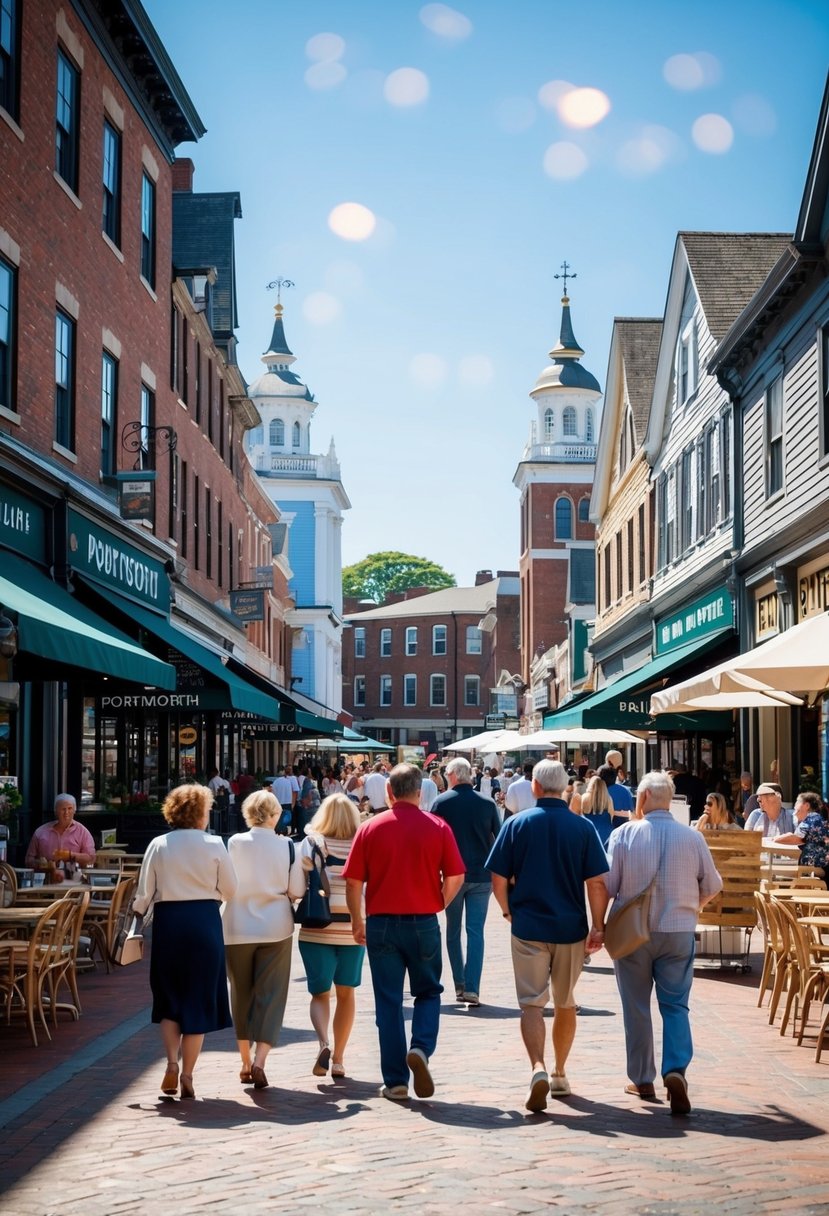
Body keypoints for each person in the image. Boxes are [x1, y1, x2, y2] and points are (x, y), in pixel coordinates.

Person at [486, 760, 610, 1112]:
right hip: (570, 928)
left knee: (531, 1004)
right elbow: (597, 882)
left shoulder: (516, 824)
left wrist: (508, 911)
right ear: (565, 787)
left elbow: (498, 878)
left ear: (536, 787)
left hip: (528, 925)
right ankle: (559, 1072)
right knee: (566, 1001)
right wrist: (598, 924)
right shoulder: (582, 828)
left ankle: (537, 1066)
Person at [343, 763, 465, 1102]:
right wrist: (439, 901)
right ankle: (422, 1048)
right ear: (419, 791)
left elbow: (353, 881)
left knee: (389, 1002)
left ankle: (396, 1080)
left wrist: (357, 920)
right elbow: (456, 876)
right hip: (423, 920)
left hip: (381, 923)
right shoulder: (438, 826)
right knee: (428, 991)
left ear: (389, 792)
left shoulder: (370, 828)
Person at [605, 770, 722, 1115]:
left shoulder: (624, 834)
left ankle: (642, 1078)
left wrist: (598, 925)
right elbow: (713, 884)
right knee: (675, 1005)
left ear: (641, 799)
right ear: (670, 801)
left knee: (636, 1006)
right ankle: (675, 1070)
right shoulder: (692, 837)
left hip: (633, 932)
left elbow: (607, 885)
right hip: (678, 929)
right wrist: (693, 906)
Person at [133, 783, 238, 1100]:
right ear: (199, 813)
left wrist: (137, 916)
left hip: (169, 924)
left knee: (169, 998)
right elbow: (231, 888)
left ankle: (170, 1063)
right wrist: (210, 898)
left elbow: (144, 893)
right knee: (199, 998)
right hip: (205, 921)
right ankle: (189, 1073)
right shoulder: (215, 844)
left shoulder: (159, 844)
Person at [221, 789, 305, 1090]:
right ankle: (260, 1061)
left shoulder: (234, 843)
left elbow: (226, 884)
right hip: (275, 926)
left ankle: (244, 1061)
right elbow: (296, 890)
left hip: (236, 924)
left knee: (240, 993)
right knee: (272, 994)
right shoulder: (288, 847)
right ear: (275, 815)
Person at [298, 793, 366, 1078]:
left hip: (317, 925)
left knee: (319, 993)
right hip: (353, 925)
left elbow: (297, 883)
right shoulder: (362, 842)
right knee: (346, 993)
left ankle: (323, 1042)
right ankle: (338, 1058)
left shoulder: (312, 842)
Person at [431, 757, 502, 1006]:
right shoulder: (487, 803)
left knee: (452, 931)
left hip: (452, 876)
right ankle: (472, 988)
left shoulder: (441, 803)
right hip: (482, 876)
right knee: (475, 932)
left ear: (451, 775)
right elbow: (499, 839)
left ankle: (460, 984)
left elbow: (431, 842)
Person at [25, 793, 96, 870]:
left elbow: (91, 858)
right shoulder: (40, 832)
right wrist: (40, 864)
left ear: (74, 810)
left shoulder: (83, 832)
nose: (66, 813)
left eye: (70, 808)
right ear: (56, 811)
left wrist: (70, 855)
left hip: (74, 877)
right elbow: (28, 860)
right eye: (63, 809)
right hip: (46, 877)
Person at [773, 791, 829, 873]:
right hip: (819, 865)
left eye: (797, 802)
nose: (794, 806)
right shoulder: (816, 818)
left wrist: (775, 838)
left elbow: (795, 839)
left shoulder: (811, 818)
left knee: (781, 872)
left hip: (816, 866)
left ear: (806, 805)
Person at [579, 773, 622, 846]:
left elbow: (579, 816)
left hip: (587, 835)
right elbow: (611, 818)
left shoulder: (584, 798)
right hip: (606, 836)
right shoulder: (608, 799)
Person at [271, 766, 295, 835]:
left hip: (278, 802)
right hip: (288, 803)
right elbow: (294, 792)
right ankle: (285, 832)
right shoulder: (289, 781)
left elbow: (273, 792)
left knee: (278, 819)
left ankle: (279, 832)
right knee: (287, 820)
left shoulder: (275, 782)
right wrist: (293, 803)